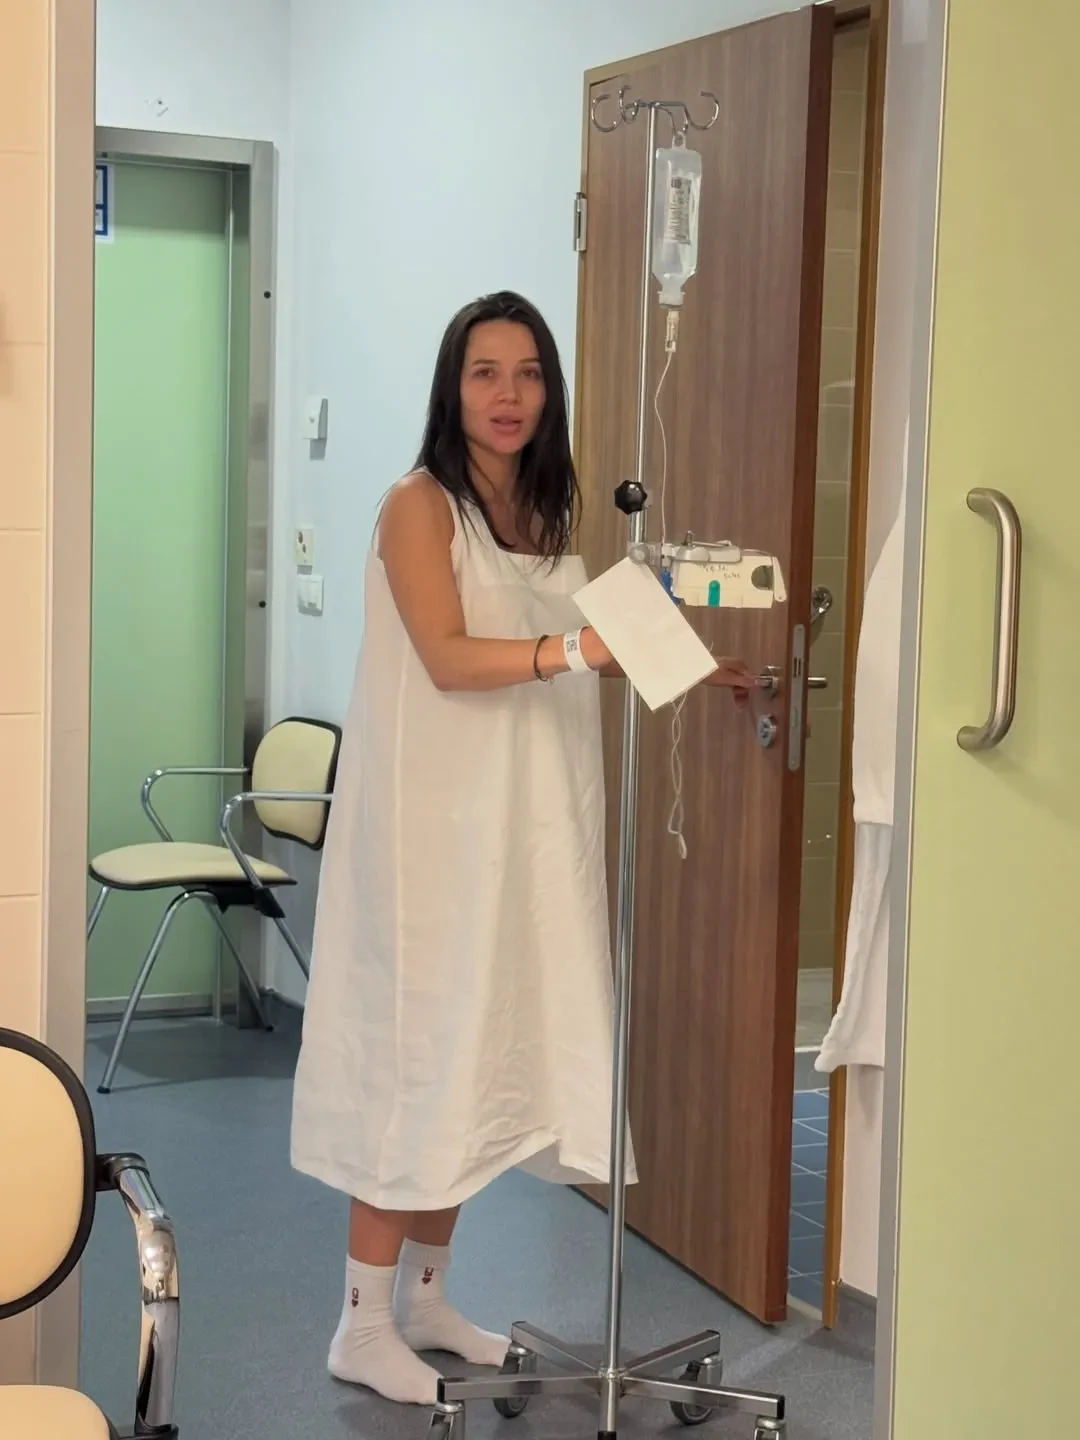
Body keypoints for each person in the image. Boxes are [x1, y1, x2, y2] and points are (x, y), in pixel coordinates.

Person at [290, 291, 753, 1406]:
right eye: (486, 372)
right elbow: (452, 659)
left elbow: (599, 643)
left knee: (476, 1059)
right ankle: (361, 1324)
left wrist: (701, 669)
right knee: (413, 1067)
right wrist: (574, 649)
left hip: (520, 836)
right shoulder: (419, 506)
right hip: (428, 842)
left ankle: (427, 1302)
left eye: (530, 373)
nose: (509, 395)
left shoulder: (546, 513)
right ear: (452, 390)